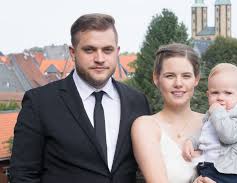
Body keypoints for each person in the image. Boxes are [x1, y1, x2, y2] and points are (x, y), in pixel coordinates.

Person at [9, 13, 151, 183]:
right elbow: (23, 175)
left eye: (107, 50)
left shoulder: (137, 102)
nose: (100, 59)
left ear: (117, 52)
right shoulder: (40, 103)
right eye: (89, 50)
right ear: (72, 52)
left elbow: (144, 169)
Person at [131, 43, 216, 183]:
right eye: (170, 76)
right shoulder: (146, 126)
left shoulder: (212, 122)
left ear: (196, 79)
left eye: (186, 76)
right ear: (156, 78)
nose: (178, 83)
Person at [182, 63, 237, 183]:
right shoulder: (212, 115)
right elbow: (204, 133)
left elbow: (228, 136)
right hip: (210, 168)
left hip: (232, 171)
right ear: (208, 95)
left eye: (228, 93)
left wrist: (217, 111)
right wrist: (191, 141)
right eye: (215, 93)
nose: (220, 97)